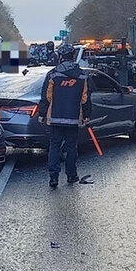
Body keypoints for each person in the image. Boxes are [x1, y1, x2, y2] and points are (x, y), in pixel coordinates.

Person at [38, 43, 92, 188]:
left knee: (54, 147)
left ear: (60, 56)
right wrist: (87, 115)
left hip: (55, 118)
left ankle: (53, 178)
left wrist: (42, 114)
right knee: (71, 148)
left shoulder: (53, 74)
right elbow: (85, 97)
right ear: (73, 56)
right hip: (73, 119)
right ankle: (71, 176)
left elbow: (46, 96)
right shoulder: (81, 75)